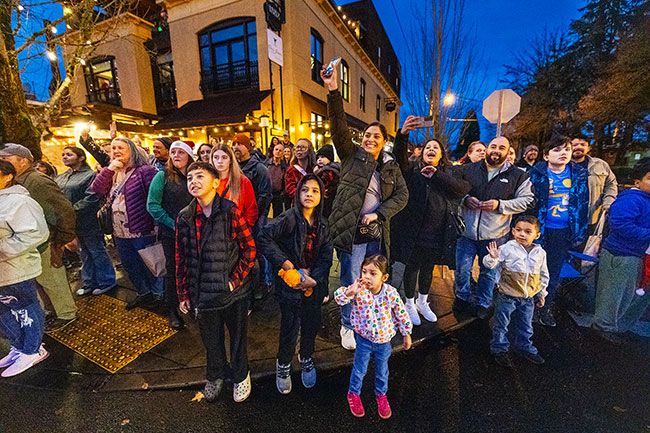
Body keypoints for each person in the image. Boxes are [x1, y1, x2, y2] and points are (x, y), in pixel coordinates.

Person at [322, 65, 408, 351]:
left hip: (376, 232)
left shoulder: (390, 166)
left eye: (376, 137)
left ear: (384, 142)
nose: (370, 139)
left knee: (373, 279)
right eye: (367, 135)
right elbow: (337, 126)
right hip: (351, 232)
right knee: (351, 278)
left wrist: (380, 213)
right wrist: (333, 89)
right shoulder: (350, 155)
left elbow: (402, 196)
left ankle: (366, 318)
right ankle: (347, 324)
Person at [176, 161, 256, 403]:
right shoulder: (185, 217)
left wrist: (234, 281)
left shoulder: (230, 211)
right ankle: (216, 375)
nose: (194, 181)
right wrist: (183, 294)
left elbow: (249, 250)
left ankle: (241, 375)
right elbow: (180, 257)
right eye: (190, 178)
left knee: (238, 337)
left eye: (200, 176)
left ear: (216, 182)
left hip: (233, 293)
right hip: (202, 293)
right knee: (211, 340)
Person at [258, 174, 333, 394]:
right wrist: (285, 263)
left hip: (313, 286)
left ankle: (306, 357)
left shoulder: (323, 224)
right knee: (289, 327)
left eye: (315, 191)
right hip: (289, 286)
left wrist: (315, 278)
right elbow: (263, 237)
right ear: (298, 193)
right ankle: (283, 364)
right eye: (305, 190)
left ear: (321, 196)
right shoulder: (288, 218)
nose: (309, 194)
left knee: (311, 324)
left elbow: (327, 255)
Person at [392, 117, 471, 325]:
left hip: (437, 234)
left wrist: (436, 175)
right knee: (411, 268)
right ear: (422, 152)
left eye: (436, 147)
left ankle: (422, 301)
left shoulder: (448, 173)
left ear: (441, 155)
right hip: (413, 232)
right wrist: (402, 135)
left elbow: (462, 189)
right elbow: (398, 159)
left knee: (428, 269)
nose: (431, 149)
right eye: (428, 147)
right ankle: (409, 303)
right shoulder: (412, 171)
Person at [454, 136, 534, 319]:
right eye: (493, 146)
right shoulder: (469, 169)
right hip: (467, 231)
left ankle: (483, 302)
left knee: (489, 272)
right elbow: (454, 191)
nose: (496, 150)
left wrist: (500, 205)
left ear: (507, 152)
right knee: (462, 269)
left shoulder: (518, 175)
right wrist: (465, 199)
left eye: (502, 148)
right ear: (487, 149)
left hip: (495, 235)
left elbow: (528, 200)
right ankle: (462, 297)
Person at [0, 143, 78, 332]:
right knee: (42, 282)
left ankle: (67, 314)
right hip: (34, 244)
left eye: (5, 158)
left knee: (52, 280)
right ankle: (53, 311)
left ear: (24, 160)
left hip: (44, 241)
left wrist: (62, 239)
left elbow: (64, 210)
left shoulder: (37, 180)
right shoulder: (19, 181)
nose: (2, 162)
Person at [334, 255, 412, 419]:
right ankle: (353, 394)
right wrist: (350, 291)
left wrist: (406, 334)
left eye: (373, 273)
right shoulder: (358, 290)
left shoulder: (390, 293)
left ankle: (381, 395)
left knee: (382, 371)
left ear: (384, 277)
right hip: (363, 340)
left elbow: (401, 314)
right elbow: (339, 298)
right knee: (359, 369)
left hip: (384, 342)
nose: (367, 277)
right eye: (364, 272)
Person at [91, 137, 163, 309]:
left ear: (132, 150)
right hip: (119, 231)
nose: (116, 151)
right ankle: (143, 293)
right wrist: (108, 170)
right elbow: (97, 189)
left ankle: (159, 295)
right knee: (130, 265)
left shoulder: (144, 171)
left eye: (121, 148)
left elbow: (156, 198)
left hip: (142, 229)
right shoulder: (113, 172)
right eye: (113, 148)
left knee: (150, 263)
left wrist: (155, 224)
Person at [528, 136, 589, 326]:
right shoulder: (535, 174)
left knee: (553, 273)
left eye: (567, 149)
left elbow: (582, 204)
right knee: (532, 271)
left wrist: (579, 231)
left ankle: (544, 308)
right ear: (546, 155)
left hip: (562, 232)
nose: (563, 153)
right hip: (538, 231)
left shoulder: (578, 174)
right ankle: (527, 309)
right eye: (557, 150)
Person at [0, 160, 50, 377]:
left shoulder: (19, 202)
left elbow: (35, 233)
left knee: (24, 308)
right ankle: (20, 346)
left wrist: (2, 249)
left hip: (15, 269)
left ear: (7, 176)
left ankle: (32, 350)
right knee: (3, 312)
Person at [592, 158, 650, 344]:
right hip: (622, 254)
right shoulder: (632, 200)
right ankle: (603, 328)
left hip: (638, 254)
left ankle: (617, 326)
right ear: (637, 182)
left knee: (630, 294)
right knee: (615, 294)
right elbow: (620, 225)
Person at [483, 216, 549, 368]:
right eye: (518, 230)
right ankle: (499, 349)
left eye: (527, 231)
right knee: (501, 324)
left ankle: (524, 347)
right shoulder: (507, 248)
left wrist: (542, 293)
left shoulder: (540, 253)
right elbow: (490, 264)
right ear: (513, 231)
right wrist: (492, 257)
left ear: (536, 235)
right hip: (507, 296)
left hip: (528, 298)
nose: (522, 234)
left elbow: (544, 274)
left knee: (526, 325)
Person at [146, 141, 194, 329]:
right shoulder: (162, 176)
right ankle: (172, 310)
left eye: (180, 152)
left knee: (193, 268)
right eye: (173, 152)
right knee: (174, 271)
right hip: (171, 233)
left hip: (195, 232)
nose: (176, 155)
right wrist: (173, 224)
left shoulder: (194, 175)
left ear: (189, 155)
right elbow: (153, 205)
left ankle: (192, 304)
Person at [56, 146, 116, 297]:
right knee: (84, 252)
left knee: (96, 250)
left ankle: (107, 281)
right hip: (71, 221)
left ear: (81, 157)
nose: (65, 157)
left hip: (88, 219)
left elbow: (93, 196)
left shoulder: (89, 175)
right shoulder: (62, 176)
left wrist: (73, 209)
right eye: (63, 154)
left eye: (69, 154)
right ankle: (89, 282)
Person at [570, 134, 618, 228]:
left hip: (591, 217)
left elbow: (611, 184)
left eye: (583, 145)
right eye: (574, 145)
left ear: (589, 148)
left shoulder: (600, 164)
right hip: (566, 217)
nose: (578, 147)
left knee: (588, 242)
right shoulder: (561, 166)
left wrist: (608, 202)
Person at [210, 143, 258, 229]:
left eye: (224, 157)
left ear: (231, 160)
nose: (220, 161)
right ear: (212, 159)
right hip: (214, 231)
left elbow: (251, 209)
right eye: (216, 157)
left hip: (236, 231)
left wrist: (244, 229)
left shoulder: (243, 181)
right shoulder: (208, 181)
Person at [232, 133, 271, 229]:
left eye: (240, 144)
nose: (236, 147)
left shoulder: (260, 169)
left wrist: (253, 214)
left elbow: (265, 195)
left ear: (248, 147)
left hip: (255, 218)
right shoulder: (232, 168)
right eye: (234, 144)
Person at [313, 144, 340, 218]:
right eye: (318, 158)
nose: (319, 159)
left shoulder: (328, 171)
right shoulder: (323, 169)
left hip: (327, 200)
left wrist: (315, 174)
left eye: (322, 157)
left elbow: (323, 183)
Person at [266, 140, 287, 218]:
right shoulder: (266, 164)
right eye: (276, 149)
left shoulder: (284, 166)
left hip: (278, 194)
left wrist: (283, 193)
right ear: (273, 151)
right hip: (267, 193)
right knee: (263, 215)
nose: (278, 152)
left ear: (283, 153)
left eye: (280, 150)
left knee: (278, 216)